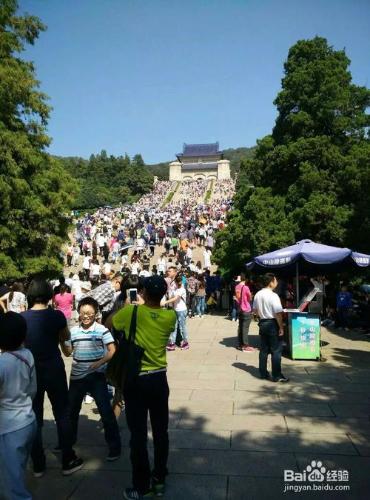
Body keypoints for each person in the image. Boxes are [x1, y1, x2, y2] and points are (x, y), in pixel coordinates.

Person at [112, 276, 176, 499]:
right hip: (159, 379)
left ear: (143, 293)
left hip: (137, 380)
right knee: (161, 431)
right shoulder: (171, 316)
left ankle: (142, 485)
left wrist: (130, 307)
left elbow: (111, 323)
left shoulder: (133, 312)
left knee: (138, 434)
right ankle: (159, 478)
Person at [22, 279, 83, 476]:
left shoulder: (21, 318)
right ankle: (68, 459)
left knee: (35, 416)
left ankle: (38, 463)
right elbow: (65, 337)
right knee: (62, 413)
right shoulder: (56, 316)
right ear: (50, 294)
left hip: (31, 370)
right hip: (53, 368)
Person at [64, 297, 121, 461]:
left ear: (96, 313)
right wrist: (63, 342)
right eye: (83, 313)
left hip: (97, 377)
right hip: (77, 376)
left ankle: (114, 447)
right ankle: (68, 442)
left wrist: (99, 363)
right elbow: (68, 352)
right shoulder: (73, 331)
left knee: (106, 412)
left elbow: (112, 350)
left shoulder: (102, 330)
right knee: (71, 412)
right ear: (78, 313)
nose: (86, 316)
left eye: (89, 313)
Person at [0, 312, 37, 500]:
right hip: (28, 420)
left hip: (9, 427)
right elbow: (32, 389)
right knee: (18, 469)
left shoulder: (2, 363)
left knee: (11, 486)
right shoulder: (27, 355)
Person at [253, 273, 289, 383]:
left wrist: (262, 315)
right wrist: (281, 327)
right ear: (271, 282)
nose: (277, 282)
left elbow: (255, 311)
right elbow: (278, 313)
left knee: (264, 350)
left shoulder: (258, 294)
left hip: (263, 323)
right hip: (272, 323)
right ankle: (277, 375)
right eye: (275, 280)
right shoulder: (273, 295)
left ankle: (263, 373)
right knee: (276, 350)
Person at [164, 275, 189, 351]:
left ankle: (185, 342)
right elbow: (172, 297)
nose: (178, 282)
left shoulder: (182, 289)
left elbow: (176, 298)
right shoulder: (175, 289)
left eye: (179, 281)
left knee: (182, 327)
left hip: (182, 310)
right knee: (174, 327)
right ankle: (172, 343)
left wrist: (165, 302)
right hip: (175, 310)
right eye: (177, 281)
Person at [235, 273, 255, 352]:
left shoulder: (236, 287)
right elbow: (249, 298)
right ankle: (245, 345)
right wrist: (251, 296)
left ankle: (240, 344)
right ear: (244, 279)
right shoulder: (246, 287)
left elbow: (238, 298)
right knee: (245, 328)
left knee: (240, 327)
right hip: (246, 309)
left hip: (240, 309)